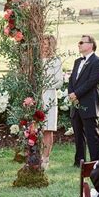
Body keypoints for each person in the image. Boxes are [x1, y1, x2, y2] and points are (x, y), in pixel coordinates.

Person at [68, 35, 99, 165]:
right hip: (76, 103)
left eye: (81, 42)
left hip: (88, 103)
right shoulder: (77, 61)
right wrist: (71, 93)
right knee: (78, 134)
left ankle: (96, 161)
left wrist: (76, 94)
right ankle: (79, 161)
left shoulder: (97, 62)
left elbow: (92, 82)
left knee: (92, 135)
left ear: (90, 45)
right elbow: (72, 79)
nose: (79, 44)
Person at [41, 34, 63, 169]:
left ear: (51, 45)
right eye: (42, 43)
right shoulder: (36, 60)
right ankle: (35, 157)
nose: (43, 46)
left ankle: (45, 159)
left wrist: (44, 83)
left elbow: (59, 81)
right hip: (36, 97)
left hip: (49, 96)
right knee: (36, 128)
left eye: (45, 43)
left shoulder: (55, 60)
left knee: (47, 129)